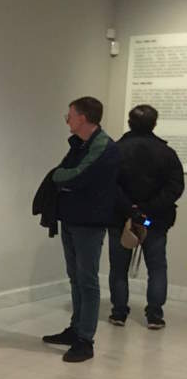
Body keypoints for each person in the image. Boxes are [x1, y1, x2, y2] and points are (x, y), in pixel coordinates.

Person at [42, 96, 119, 363]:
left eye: (70, 114)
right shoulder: (81, 144)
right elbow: (66, 171)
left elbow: (70, 175)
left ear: (83, 118)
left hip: (90, 223)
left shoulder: (105, 148)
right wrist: (63, 177)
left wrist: (60, 178)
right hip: (72, 219)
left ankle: (86, 340)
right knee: (75, 277)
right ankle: (76, 329)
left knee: (88, 280)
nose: (67, 119)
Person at [107, 104, 184, 329]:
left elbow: (110, 185)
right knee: (157, 267)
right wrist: (148, 210)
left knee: (118, 267)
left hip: (122, 219)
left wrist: (132, 210)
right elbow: (175, 187)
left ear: (129, 122)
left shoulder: (116, 150)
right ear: (154, 123)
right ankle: (155, 315)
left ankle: (119, 312)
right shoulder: (167, 153)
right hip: (155, 220)